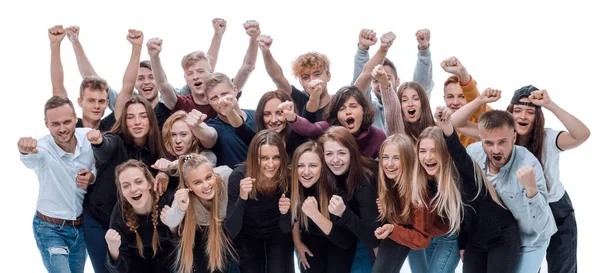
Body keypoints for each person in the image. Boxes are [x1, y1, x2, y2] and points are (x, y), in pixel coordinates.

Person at [506, 86, 588, 273]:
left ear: (538, 117)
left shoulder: (548, 138)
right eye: (517, 111)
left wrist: (550, 105)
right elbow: (458, 125)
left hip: (556, 209)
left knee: (563, 268)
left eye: (530, 112)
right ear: (509, 113)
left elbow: (582, 135)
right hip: (524, 212)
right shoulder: (503, 140)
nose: (523, 117)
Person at [464, 110, 557, 273]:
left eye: (502, 142)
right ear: (480, 138)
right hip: (495, 238)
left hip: (530, 239)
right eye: (489, 143)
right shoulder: (473, 153)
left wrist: (531, 190)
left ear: (514, 138)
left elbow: (541, 225)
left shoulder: (529, 164)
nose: (496, 150)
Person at [83, 96, 168, 273]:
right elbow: (104, 149)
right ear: (124, 120)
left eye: (143, 116)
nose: (137, 122)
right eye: (130, 117)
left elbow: (170, 165)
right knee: (106, 268)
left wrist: (164, 172)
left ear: (151, 119)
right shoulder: (116, 140)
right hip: (99, 219)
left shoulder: (157, 147)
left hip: (129, 223)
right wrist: (98, 143)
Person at [19, 96, 96, 273]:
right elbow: (30, 159)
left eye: (67, 122)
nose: (62, 129)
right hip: (49, 229)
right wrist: (23, 150)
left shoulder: (87, 138)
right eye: (55, 124)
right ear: (46, 124)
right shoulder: (42, 148)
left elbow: (98, 165)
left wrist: (92, 177)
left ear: (75, 119)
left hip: (79, 229)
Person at [148, 20, 260, 118]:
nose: (195, 76)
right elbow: (162, 85)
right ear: (185, 78)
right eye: (190, 73)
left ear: (211, 72)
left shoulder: (225, 93)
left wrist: (254, 38)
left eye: (200, 71)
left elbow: (247, 67)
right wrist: (154, 56)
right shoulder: (182, 104)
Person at [48, 25, 141, 131]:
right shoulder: (71, 125)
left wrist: (137, 47)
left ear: (107, 103)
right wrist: (55, 45)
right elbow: (57, 86)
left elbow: (127, 88)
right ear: (80, 101)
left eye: (101, 101)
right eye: (91, 100)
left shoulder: (113, 124)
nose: (96, 106)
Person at [226, 130, 295, 273]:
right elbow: (232, 229)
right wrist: (242, 197)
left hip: (276, 230)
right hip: (247, 232)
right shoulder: (238, 176)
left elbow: (286, 228)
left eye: (276, 157)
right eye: (264, 158)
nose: (270, 164)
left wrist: (285, 213)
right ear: (254, 158)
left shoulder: (287, 178)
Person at [317, 126, 380, 272]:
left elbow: (373, 238)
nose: (335, 160)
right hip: (353, 234)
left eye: (341, 153)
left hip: (372, 238)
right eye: (329, 154)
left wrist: (344, 213)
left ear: (352, 153)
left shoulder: (364, 181)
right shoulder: (329, 175)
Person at [161, 153, 236, 273]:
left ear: (213, 172)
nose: (206, 185)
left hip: (226, 228)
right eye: (197, 182)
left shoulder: (226, 175)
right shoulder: (184, 195)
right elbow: (170, 221)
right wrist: (181, 208)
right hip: (201, 232)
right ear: (188, 185)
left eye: (208, 177)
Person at [289, 141, 357, 273]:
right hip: (313, 239)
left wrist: (315, 215)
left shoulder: (336, 192)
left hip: (339, 243)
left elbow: (346, 241)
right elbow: (294, 217)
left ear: (322, 167)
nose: (306, 172)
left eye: (313, 166)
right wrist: (297, 242)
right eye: (300, 165)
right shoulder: (295, 188)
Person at [351, 28, 434, 131]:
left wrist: (424, 50)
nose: (382, 82)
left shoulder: (407, 105)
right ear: (371, 87)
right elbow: (359, 86)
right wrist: (362, 50)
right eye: (376, 80)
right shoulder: (368, 109)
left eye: (387, 78)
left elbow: (421, 87)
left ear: (398, 81)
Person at [105, 160, 176, 273]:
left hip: (171, 261)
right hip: (136, 265)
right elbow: (119, 269)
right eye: (126, 186)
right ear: (122, 191)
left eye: (138, 182)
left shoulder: (167, 200)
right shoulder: (120, 215)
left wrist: (173, 227)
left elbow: (186, 245)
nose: (133, 189)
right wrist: (113, 250)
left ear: (149, 183)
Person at [279, 85, 386, 159]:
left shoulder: (377, 136)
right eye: (342, 109)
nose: (348, 112)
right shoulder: (330, 128)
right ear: (336, 114)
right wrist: (292, 117)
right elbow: (310, 128)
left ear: (363, 110)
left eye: (353, 106)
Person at [187, 73, 256, 168]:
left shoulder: (257, 116)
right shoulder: (214, 126)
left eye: (224, 94)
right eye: (214, 98)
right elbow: (208, 135)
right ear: (208, 101)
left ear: (235, 91)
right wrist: (195, 127)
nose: (221, 101)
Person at [257, 35, 332, 122]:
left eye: (317, 74)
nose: (312, 80)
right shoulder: (299, 100)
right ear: (300, 82)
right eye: (305, 77)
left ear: (328, 76)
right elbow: (277, 77)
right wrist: (265, 51)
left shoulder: (339, 102)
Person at [440, 56, 492, 147]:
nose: (455, 102)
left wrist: (463, 75)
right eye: (450, 97)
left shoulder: (480, 120)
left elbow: (479, 105)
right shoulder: (438, 125)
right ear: (444, 98)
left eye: (462, 96)